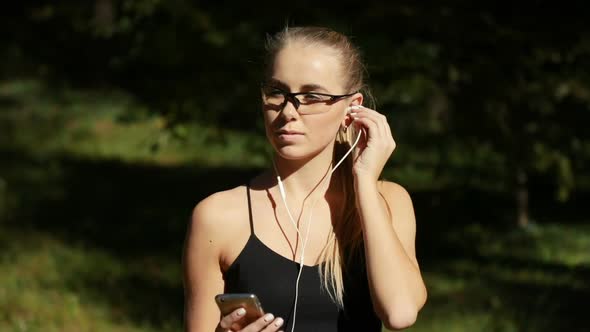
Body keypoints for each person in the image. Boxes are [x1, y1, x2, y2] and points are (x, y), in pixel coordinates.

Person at [183, 26, 427, 332]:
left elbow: (399, 314)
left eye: (311, 96)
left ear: (352, 109)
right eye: (277, 92)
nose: (288, 111)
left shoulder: (388, 202)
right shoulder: (217, 217)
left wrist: (363, 181)